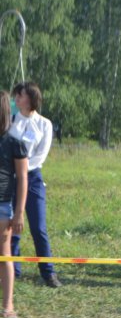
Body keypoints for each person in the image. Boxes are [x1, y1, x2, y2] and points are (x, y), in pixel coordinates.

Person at [8, 82, 60, 288]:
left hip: (33, 178)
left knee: (39, 227)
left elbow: (40, 155)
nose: (16, 100)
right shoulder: (10, 120)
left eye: (19, 96)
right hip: (9, 178)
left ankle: (48, 272)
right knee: (11, 226)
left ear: (30, 98)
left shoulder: (45, 124)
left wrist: (23, 168)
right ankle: (14, 269)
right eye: (15, 96)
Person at [0, 91, 28, 318]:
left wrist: (19, 213)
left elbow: (23, 179)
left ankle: (7, 306)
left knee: (4, 254)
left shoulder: (14, 142)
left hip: (2, 206)